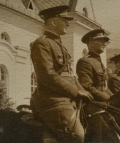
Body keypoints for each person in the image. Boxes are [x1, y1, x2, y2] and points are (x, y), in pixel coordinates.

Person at [30, 5, 93, 143]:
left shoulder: (59, 46)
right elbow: (47, 75)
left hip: (66, 98)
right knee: (77, 136)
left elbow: (70, 75)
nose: (67, 23)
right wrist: (75, 92)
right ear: (53, 22)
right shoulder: (42, 43)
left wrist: (84, 92)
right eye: (64, 20)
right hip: (52, 100)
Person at [76, 29, 120, 143]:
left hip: (103, 103)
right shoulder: (85, 61)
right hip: (92, 104)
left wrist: (116, 99)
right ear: (91, 43)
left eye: (105, 41)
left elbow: (105, 87)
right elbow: (87, 86)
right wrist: (108, 98)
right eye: (101, 41)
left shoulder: (99, 62)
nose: (104, 44)